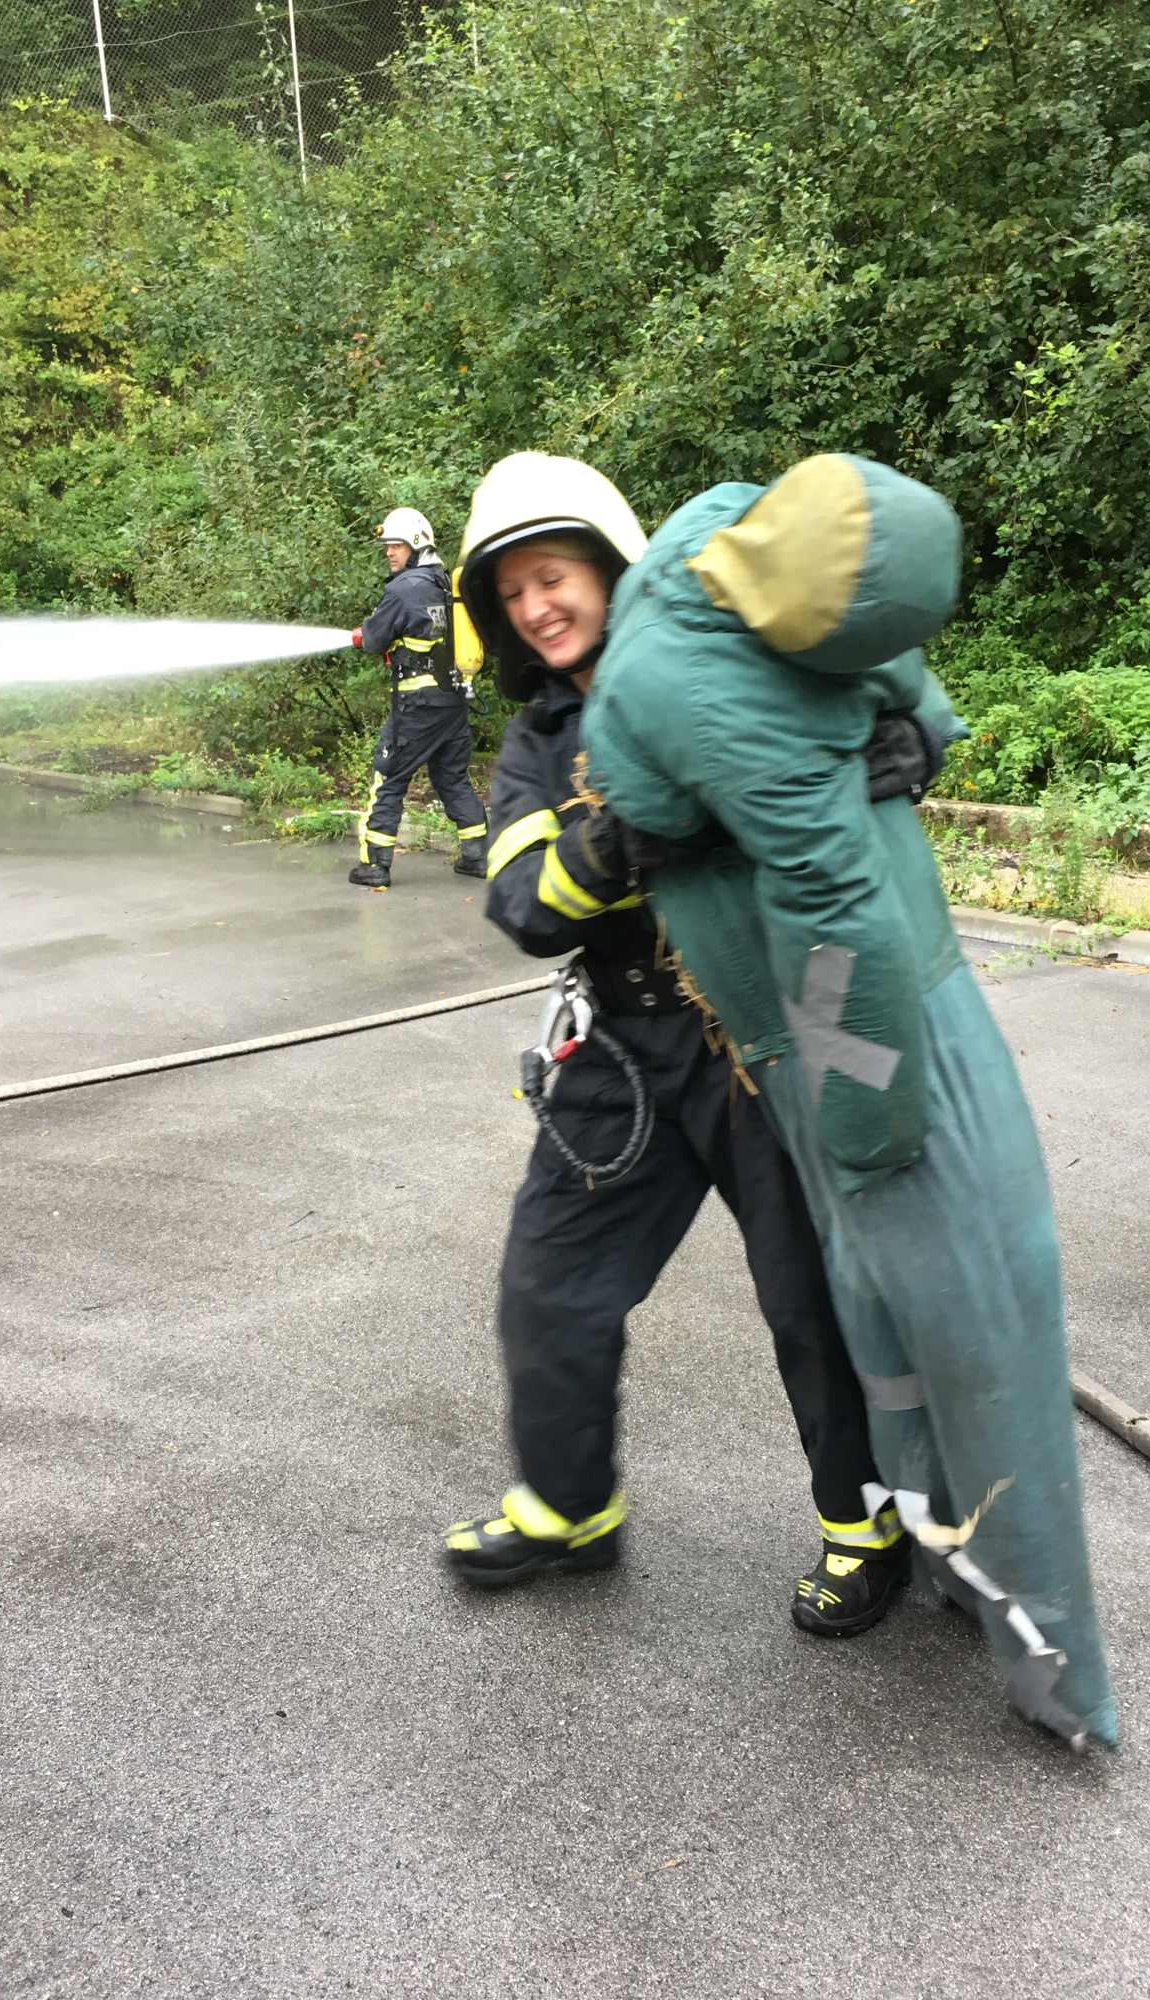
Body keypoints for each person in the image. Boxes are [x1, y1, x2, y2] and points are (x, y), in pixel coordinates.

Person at [579, 450, 1117, 1749]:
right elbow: (834, 922)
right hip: (852, 1040)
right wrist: (862, 1120)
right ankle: (1003, 1619)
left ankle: (1009, 1626)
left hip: (851, 1034)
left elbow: (885, 711)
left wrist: (919, 728)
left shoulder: (718, 532)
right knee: (946, 1335)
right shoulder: (681, 676)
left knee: (935, 1333)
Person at [440, 454, 944, 1638]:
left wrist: (904, 750)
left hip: (758, 1038)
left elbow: (880, 694)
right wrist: (623, 834)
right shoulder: (538, 743)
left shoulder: (727, 659)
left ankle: (864, 1524)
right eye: (513, 592)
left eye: (554, 576)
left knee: (811, 1299)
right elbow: (524, 904)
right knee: (549, 1282)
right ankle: (569, 1507)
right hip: (622, 1050)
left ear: (613, 568)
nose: (537, 606)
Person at [348, 507, 489, 889]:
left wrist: (365, 632)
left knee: (388, 777)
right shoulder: (446, 584)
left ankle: (374, 865)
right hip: (453, 702)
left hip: (417, 706)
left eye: (396, 545)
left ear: (416, 545)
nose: (389, 552)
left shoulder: (403, 589)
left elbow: (374, 640)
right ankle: (478, 856)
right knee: (453, 779)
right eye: (387, 545)